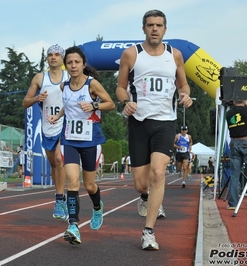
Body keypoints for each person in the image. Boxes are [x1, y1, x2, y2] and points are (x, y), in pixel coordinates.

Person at [115, 9, 193, 250]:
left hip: (165, 122)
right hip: (139, 122)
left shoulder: (175, 55)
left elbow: (184, 84)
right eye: (150, 25)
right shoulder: (131, 54)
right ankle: (146, 197)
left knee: (158, 173)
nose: (155, 29)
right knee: (141, 183)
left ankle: (148, 232)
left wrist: (185, 95)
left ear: (165, 29)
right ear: (144, 29)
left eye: (159, 25)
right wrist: (126, 102)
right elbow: (120, 88)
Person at [48, 45, 115, 245]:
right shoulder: (64, 87)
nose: (73, 65)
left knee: (90, 185)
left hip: (90, 140)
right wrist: (56, 116)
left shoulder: (92, 85)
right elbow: (67, 108)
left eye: (77, 62)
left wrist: (94, 105)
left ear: (83, 64)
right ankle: (73, 225)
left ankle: (97, 207)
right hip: (69, 139)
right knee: (73, 181)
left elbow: (110, 103)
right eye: (69, 62)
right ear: (65, 65)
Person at [23, 44, 69, 221]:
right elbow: (25, 102)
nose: (53, 57)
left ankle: (59, 199)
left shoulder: (68, 76)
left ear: (62, 58)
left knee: (59, 159)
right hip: (47, 126)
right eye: (50, 54)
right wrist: (36, 98)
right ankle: (59, 190)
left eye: (57, 54)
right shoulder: (40, 78)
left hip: (64, 123)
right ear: (47, 58)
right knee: (54, 165)